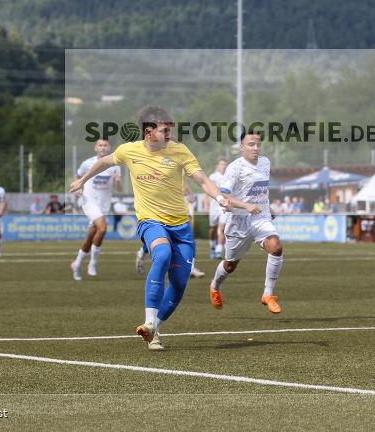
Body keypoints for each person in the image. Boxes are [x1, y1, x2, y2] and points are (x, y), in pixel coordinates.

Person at [70, 105, 246, 351]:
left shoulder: (180, 151)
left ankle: (154, 329)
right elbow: (104, 162)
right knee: (161, 254)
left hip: (180, 226)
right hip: (150, 221)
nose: (169, 135)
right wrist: (82, 179)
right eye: (165, 131)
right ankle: (149, 321)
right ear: (148, 132)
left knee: (179, 283)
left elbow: (202, 180)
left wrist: (220, 198)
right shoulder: (128, 151)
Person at [210, 132, 283, 314]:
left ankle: (268, 294)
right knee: (230, 265)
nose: (255, 148)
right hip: (238, 221)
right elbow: (224, 193)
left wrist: (268, 207)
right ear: (242, 147)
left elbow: (261, 190)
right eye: (251, 145)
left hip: (261, 217)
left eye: (258, 144)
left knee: (276, 247)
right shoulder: (235, 168)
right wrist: (245, 205)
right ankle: (215, 285)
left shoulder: (265, 163)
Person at [70, 138, 122, 280]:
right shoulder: (87, 163)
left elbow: (119, 189)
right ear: (95, 148)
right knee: (103, 228)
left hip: (104, 205)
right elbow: (77, 177)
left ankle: (77, 263)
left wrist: (118, 181)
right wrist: (79, 188)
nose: (103, 147)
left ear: (109, 147)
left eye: (105, 145)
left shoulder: (115, 165)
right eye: (100, 145)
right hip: (89, 201)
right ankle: (92, 263)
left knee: (90, 236)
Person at [208, 158, 229, 260]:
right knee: (212, 229)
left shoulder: (228, 177)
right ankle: (212, 247)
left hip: (223, 206)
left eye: (225, 164)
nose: (224, 166)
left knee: (222, 228)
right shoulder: (213, 176)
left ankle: (219, 250)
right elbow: (208, 189)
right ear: (217, 165)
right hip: (214, 207)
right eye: (222, 164)